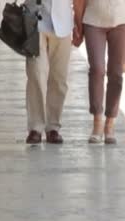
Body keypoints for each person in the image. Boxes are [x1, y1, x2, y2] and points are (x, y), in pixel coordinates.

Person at [73, 0, 125, 144]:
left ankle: (110, 123)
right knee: (97, 69)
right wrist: (78, 25)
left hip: (121, 21)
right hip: (92, 21)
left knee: (116, 73)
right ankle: (97, 122)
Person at [23, 0, 74, 144]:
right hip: (34, 21)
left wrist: (78, 22)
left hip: (63, 23)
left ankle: (53, 127)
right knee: (35, 73)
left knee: (59, 78)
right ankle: (35, 127)